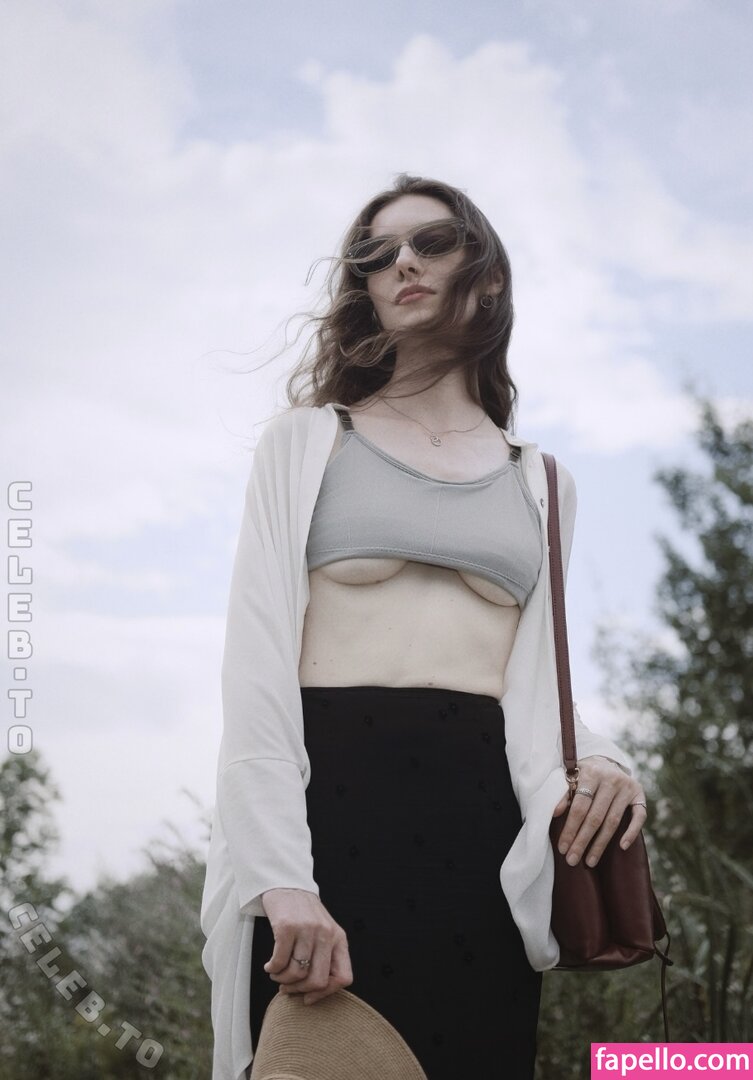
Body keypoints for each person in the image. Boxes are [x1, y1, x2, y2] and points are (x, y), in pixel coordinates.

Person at [200, 174, 647, 1080]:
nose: (401, 262)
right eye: (376, 254)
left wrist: (600, 758)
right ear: (363, 289)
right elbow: (253, 676)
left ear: (487, 276)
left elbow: (534, 686)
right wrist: (281, 880)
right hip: (327, 823)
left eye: (430, 242)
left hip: (482, 845)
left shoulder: (543, 483)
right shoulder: (305, 443)